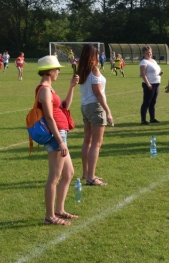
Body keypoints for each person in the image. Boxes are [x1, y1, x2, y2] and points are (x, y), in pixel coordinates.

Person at [35, 55, 79, 225]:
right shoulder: (45, 90)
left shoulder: (50, 89)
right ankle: (50, 216)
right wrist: (60, 141)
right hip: (56, 136)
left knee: (69, 173)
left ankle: (59, 210)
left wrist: (72, 87)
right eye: (57, 69)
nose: (58, 72)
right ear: (50, 71)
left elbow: (65, 106)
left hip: (61, 134)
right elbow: (49, 116)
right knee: (54, 177)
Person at [77, 44, 113, 187]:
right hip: (95, 107)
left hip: (85, 106)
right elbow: (98, 93)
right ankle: (91, 177)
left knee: (88, 141)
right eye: (96, 54)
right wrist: (108, 111)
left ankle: (86, 173)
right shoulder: (94, 70)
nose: (98, 56)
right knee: (96, 143)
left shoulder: (82, 69)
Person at [139, 45, 163, 125]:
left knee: (153, 102)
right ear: (143, 54)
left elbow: (154, 71)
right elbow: (143, 74)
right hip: (149, 84)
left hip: (156, 83)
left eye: (150, 52)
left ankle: (152, 118)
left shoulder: (153, 61)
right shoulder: (143, 62)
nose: (149, 54)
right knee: (147, 102)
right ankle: (143, 120)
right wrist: (148, 83)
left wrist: (159, 74)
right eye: (147, 53)